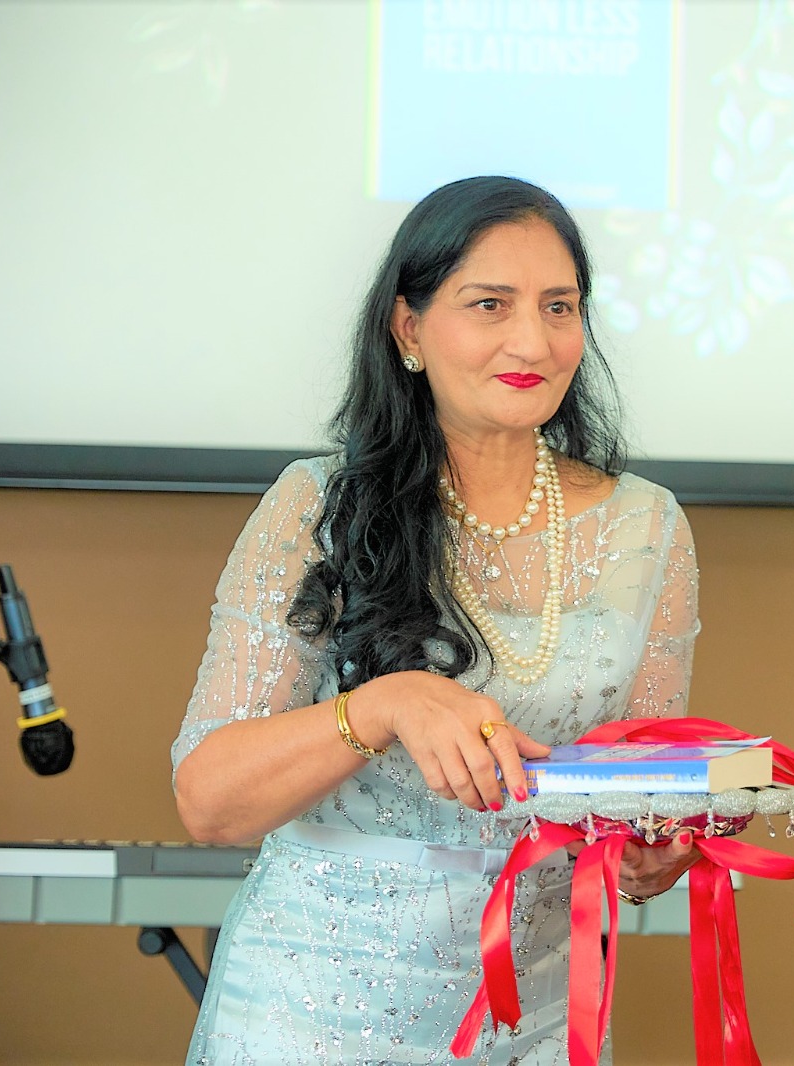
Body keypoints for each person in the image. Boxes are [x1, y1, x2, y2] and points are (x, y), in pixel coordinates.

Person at [172, 175, 700, 1064]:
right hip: (315, 1014)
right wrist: (383, 705)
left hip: (539, 1016)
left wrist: (654, 851)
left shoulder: (648, 527)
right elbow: (208, 801)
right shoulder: (316, 507)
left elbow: (638, 790)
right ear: (409, 329)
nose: (533, 340)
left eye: (560, 307)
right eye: (490, 304)